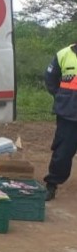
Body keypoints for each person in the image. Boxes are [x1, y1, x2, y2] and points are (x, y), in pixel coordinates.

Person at [43, 43, 77, 201]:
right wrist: (61, 96)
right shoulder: (63, 54)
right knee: (63, 151)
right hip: (68, 112)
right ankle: (52, 184)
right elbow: (50, 78)